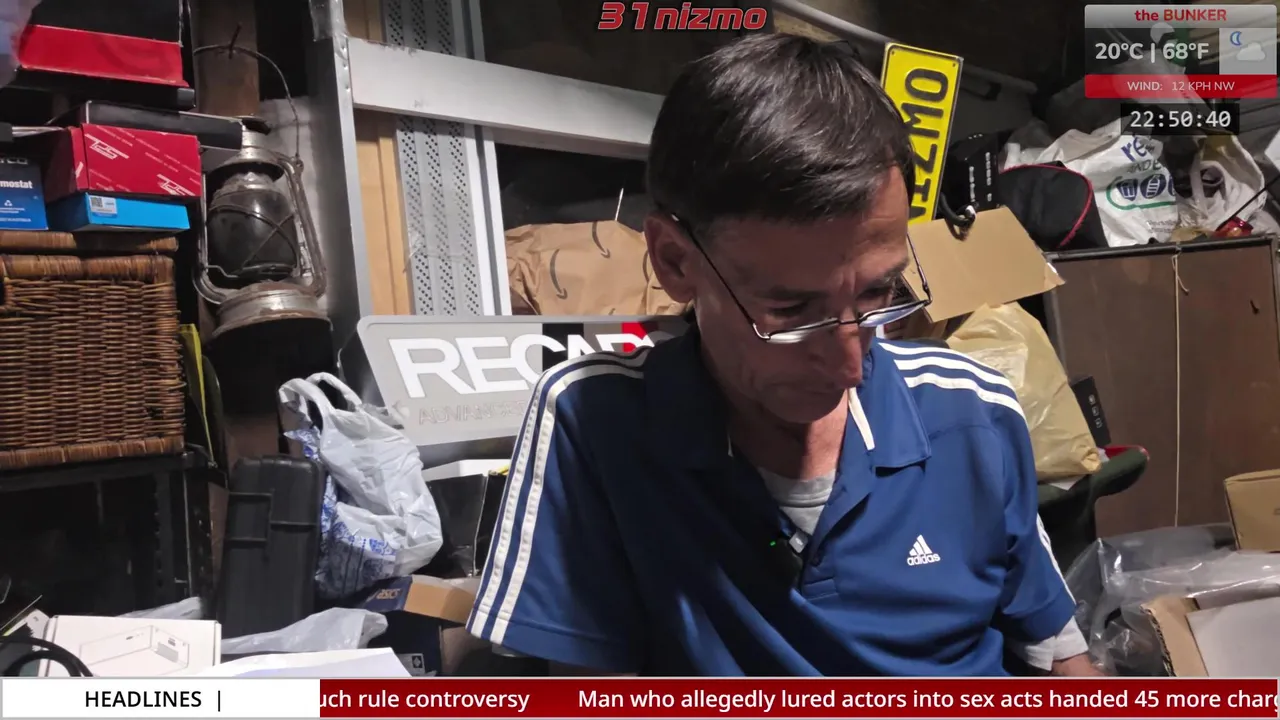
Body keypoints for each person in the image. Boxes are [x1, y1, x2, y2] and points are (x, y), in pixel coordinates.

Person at [466, 33, 1097, 676]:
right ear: (675, 262)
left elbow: (1061, 658)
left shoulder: (971, 411)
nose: (849, 367)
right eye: (793, 310)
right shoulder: (595, 423)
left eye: (877, 292)